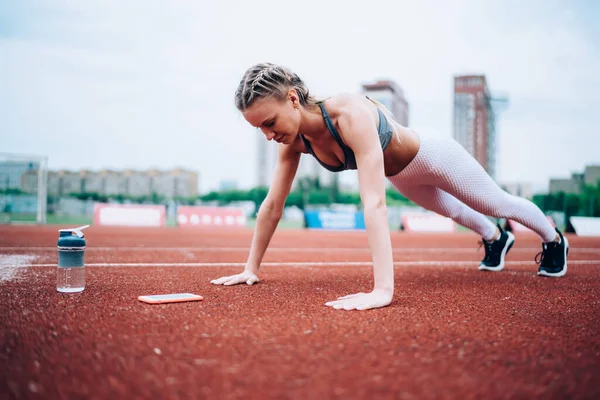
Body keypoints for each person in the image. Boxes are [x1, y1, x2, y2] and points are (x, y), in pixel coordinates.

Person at [210, 62, 569, 311]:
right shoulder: (293, 142)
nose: (269, 135)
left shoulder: (349, 114)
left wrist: (383, 290)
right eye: (260, 129)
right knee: (456, 211)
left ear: (292, 98)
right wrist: (250, 268)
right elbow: (274, 204)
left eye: (270, 123)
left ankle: (554, 240)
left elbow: (374, 205)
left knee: (495, 203)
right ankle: (496, 239)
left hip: (432, 154)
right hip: (401, 174)